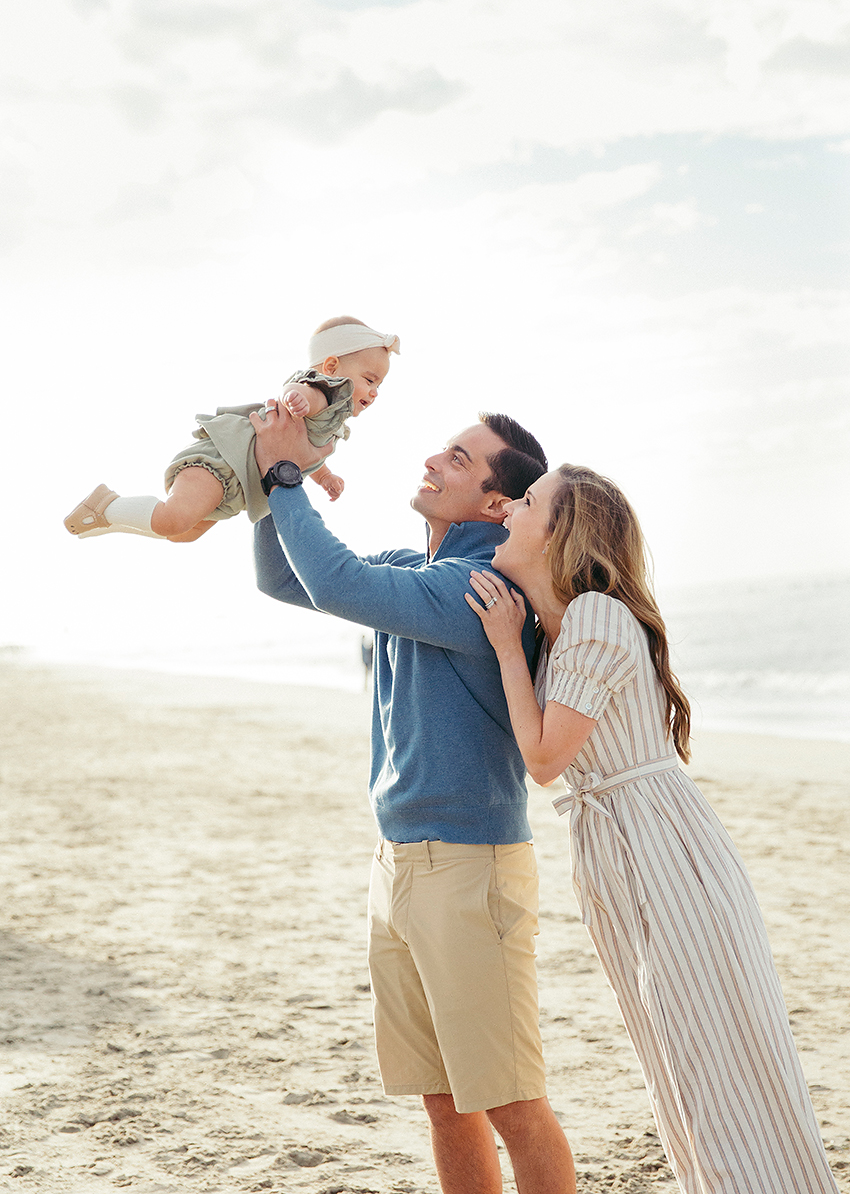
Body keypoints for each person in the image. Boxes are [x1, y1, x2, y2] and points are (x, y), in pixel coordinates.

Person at [465, 463, 839, 1194]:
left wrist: (508, 646)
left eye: (528, 500)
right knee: (678, 1062)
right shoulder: (562, 627)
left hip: (660, 845)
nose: (510, 506)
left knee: (714, 1060)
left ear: (562, 533)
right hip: (616, 848)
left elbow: (544, 757)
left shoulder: (597, 616)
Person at [252, 405, 577, 1194]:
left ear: (498, 503)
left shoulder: (478, 585)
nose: (435, 458)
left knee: (512, 1106)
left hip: (469, 872)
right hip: (399, 862)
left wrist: (285, 472)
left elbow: (334, 580)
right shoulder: (419, 569)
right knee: (444, 1100)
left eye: (460, 459)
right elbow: (284, 576)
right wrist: (271, 485)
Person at [62, 316, 399, 543]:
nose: (374, 392)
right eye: (370, 380)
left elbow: (304, 452)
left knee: (184, 534)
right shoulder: (322, 391)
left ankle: (109, 520)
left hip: (237, 488)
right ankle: (106, 504)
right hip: (222, 464)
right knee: (174, 520)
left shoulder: (331, 424)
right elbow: (296, 392)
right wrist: (296, 400)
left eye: (379, 385)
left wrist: (324, 477)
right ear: (331, 367)